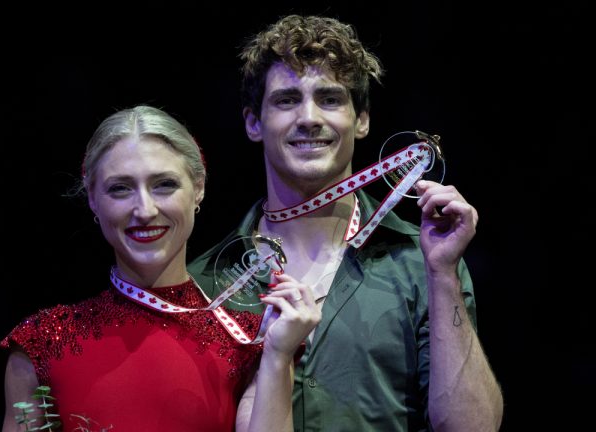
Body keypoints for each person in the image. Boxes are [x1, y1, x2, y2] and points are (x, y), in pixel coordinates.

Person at [188, 15, 504, 431]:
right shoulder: (203, 287)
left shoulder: (421, 263)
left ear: (362, 120)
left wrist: (443, 274)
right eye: (286, 100)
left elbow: (474, 427)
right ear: (252, 122)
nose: (309, 118)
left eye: (330, 99)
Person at [0, 105, 320, 432]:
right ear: (93, 199)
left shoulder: (251, 340)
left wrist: (278, 355)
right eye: (120, 188)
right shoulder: (41, 344)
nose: (145, 209)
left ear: (198, 188)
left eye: (164, 184)